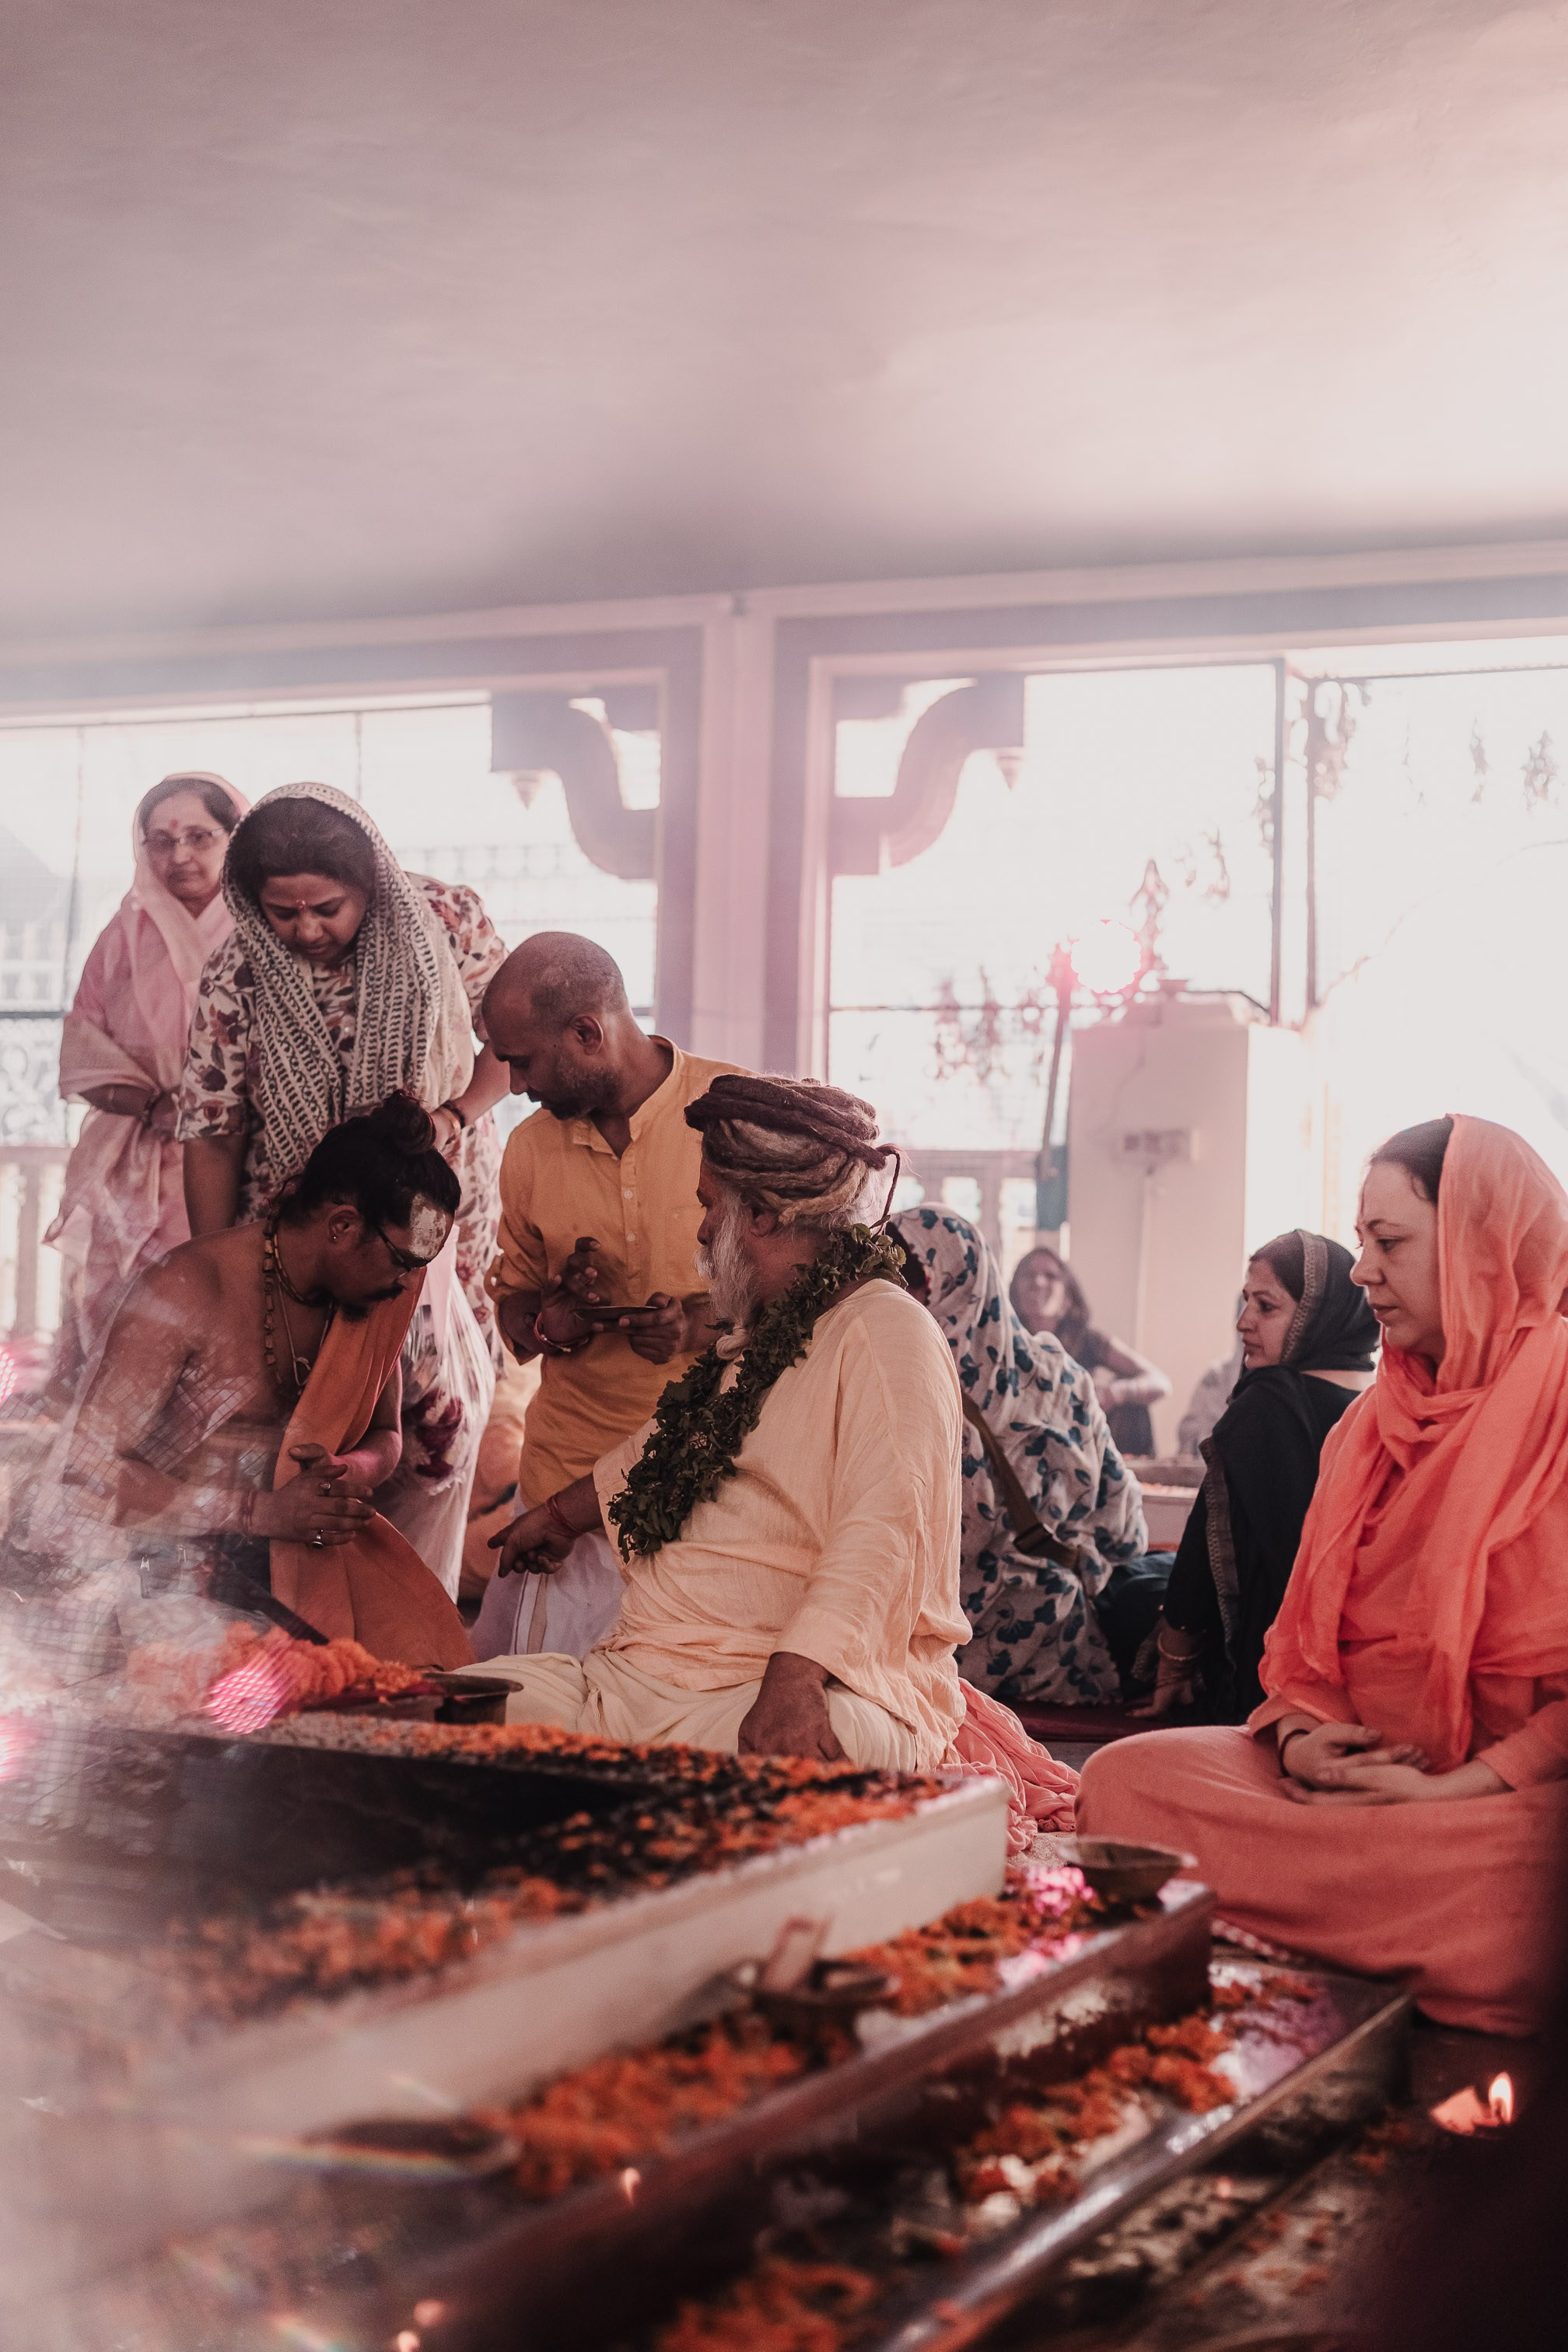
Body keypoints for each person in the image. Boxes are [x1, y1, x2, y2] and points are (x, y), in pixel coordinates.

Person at [464, 1076, 1077, 1846]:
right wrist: (557, 1516)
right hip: (640, 1676)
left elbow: (883, 1532)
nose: (698, 1228)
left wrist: (793, 1683)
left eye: (708, 1204)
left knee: (788, 1765)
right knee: (459, 1714)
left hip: (787, 1683)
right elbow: (665, 1451)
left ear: (760, 1214)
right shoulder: (759, 1336)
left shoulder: (886, 1331)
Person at [1080, 1115, 1568, 2035]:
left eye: (1390, 1244)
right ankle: (1415, 1939)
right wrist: (1304, 1743)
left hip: (1505, 1803)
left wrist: (1457, 1790)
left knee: (1539, 1889)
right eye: (1360, 1244)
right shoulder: (1367, 1426)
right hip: (1341, 1789)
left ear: (1481, 1247)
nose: (1361, 1272)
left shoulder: (1561, 1400)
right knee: (1123, 1784)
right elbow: (1300, 1655)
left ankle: (1356, 1920)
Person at [174, 782, 510, 1594]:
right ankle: (307, 1645)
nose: (305, 931)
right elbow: (213, 1131)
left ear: (372, 884)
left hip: (431, 1233)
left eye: (326, 907)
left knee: (436, 1435)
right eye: (281, 913)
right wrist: (217, 1276)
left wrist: (451, 1117)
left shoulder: (447, 922)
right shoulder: (238, 967)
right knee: (308, 1443)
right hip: (303, 1243)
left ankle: (412, 1632)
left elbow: (509, 1043)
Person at [25, 1096, 471, 1672]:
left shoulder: (371, 1298)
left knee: (418, 1680)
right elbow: (86, 1476)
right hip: (140, 1578)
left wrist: (350, 1472)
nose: (411, 1283)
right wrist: (260, 1513)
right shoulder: (189, 1290)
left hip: (285, 1578)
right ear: (342, 1226)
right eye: (405, 1260)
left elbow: (386, 1434)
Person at [472, 933, 739, 1659]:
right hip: (562, 1487)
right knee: (542, 1736)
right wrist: (549, 1322)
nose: (517, 1086)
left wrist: (696, 1325)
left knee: (669, 1742)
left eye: (522, 1062)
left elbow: (810, 1300)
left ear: (587, 1033)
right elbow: (516, 1315)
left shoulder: (733, 1115)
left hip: (709, 1488)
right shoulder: (529, 1149)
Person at [891, 1207, 1146, 1706]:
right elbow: (1125, 1523)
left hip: (941, 1662)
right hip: (1066, 1652)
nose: (897, 1301)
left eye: (905, 1283)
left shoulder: (911, 1387)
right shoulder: (1061, 1375)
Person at [46, 772, 248, 1381]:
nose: (178, 855)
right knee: (119, 1328)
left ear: (235, 838)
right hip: (132, 1157)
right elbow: (81, 1047)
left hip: (232, 1156)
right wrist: (153, 1102)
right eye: (159, 840)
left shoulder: (263, 930)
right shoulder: (122, 935)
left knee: (212, 1322)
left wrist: (202, 1107)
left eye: (197, 836)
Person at [1138, 1232, 1378, 1720]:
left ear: (1317, 1317)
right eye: (1246, 1302)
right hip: (1356, 1669)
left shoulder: (1268, 1404)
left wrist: (1175, 1667)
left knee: (1128, 1593)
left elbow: (1201, 1553)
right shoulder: (1382, 1401)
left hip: (1267, 1669)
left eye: (1266, 1307)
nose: (1243, 1322)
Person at [1009, 1246, 1170, 1456]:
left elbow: (1160, 1382)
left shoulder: (1086, 1340)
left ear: (1067, 1298)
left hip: (1079, 1445)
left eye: (1051, 1276)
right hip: (1025, 1447)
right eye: (1029, 1275)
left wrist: (1114, 1394)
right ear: (1014, 1291)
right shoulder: (1004, 1341)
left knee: (1134, 1410)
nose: (1038, 1282)